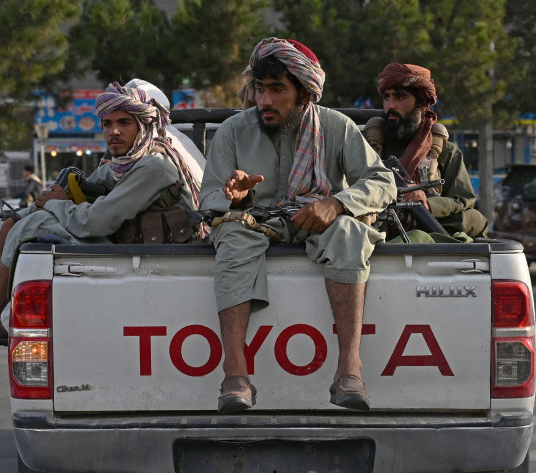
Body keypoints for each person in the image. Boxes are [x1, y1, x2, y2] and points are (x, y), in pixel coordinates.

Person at [0, 81, 202, 354]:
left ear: (144, 124)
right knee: (26, 222)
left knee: (36, 224)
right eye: (107, 124)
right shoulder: (124, 163)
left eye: (124, 123)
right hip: (129, 253)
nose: (114, 131)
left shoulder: (154, 165)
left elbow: (96, 222)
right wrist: (19, 215)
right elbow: (83, 189)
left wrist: (52, 207)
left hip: (153, 261)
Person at [200, 37, 396, 414]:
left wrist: (337, 202)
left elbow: (383, 182)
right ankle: (235, 375)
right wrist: (238, 198)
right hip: (255, 222)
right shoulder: (232, 131)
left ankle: (349, 370)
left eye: (277, 89)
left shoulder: (336, 127)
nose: (265, 101)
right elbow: (209, 199)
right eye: (260, 89)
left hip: (314, 218)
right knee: (234, 233)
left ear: (305, 94)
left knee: (349, 232)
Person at [363, 63, 488, 238]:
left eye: (400, 97)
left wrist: (428, 204)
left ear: (422, 104)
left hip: (428, 238)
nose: (390, 105)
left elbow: (464, 200)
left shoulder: (445, 151)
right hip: (377, 233)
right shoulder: (366, 148)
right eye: (386, 97)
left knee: (473, 219)